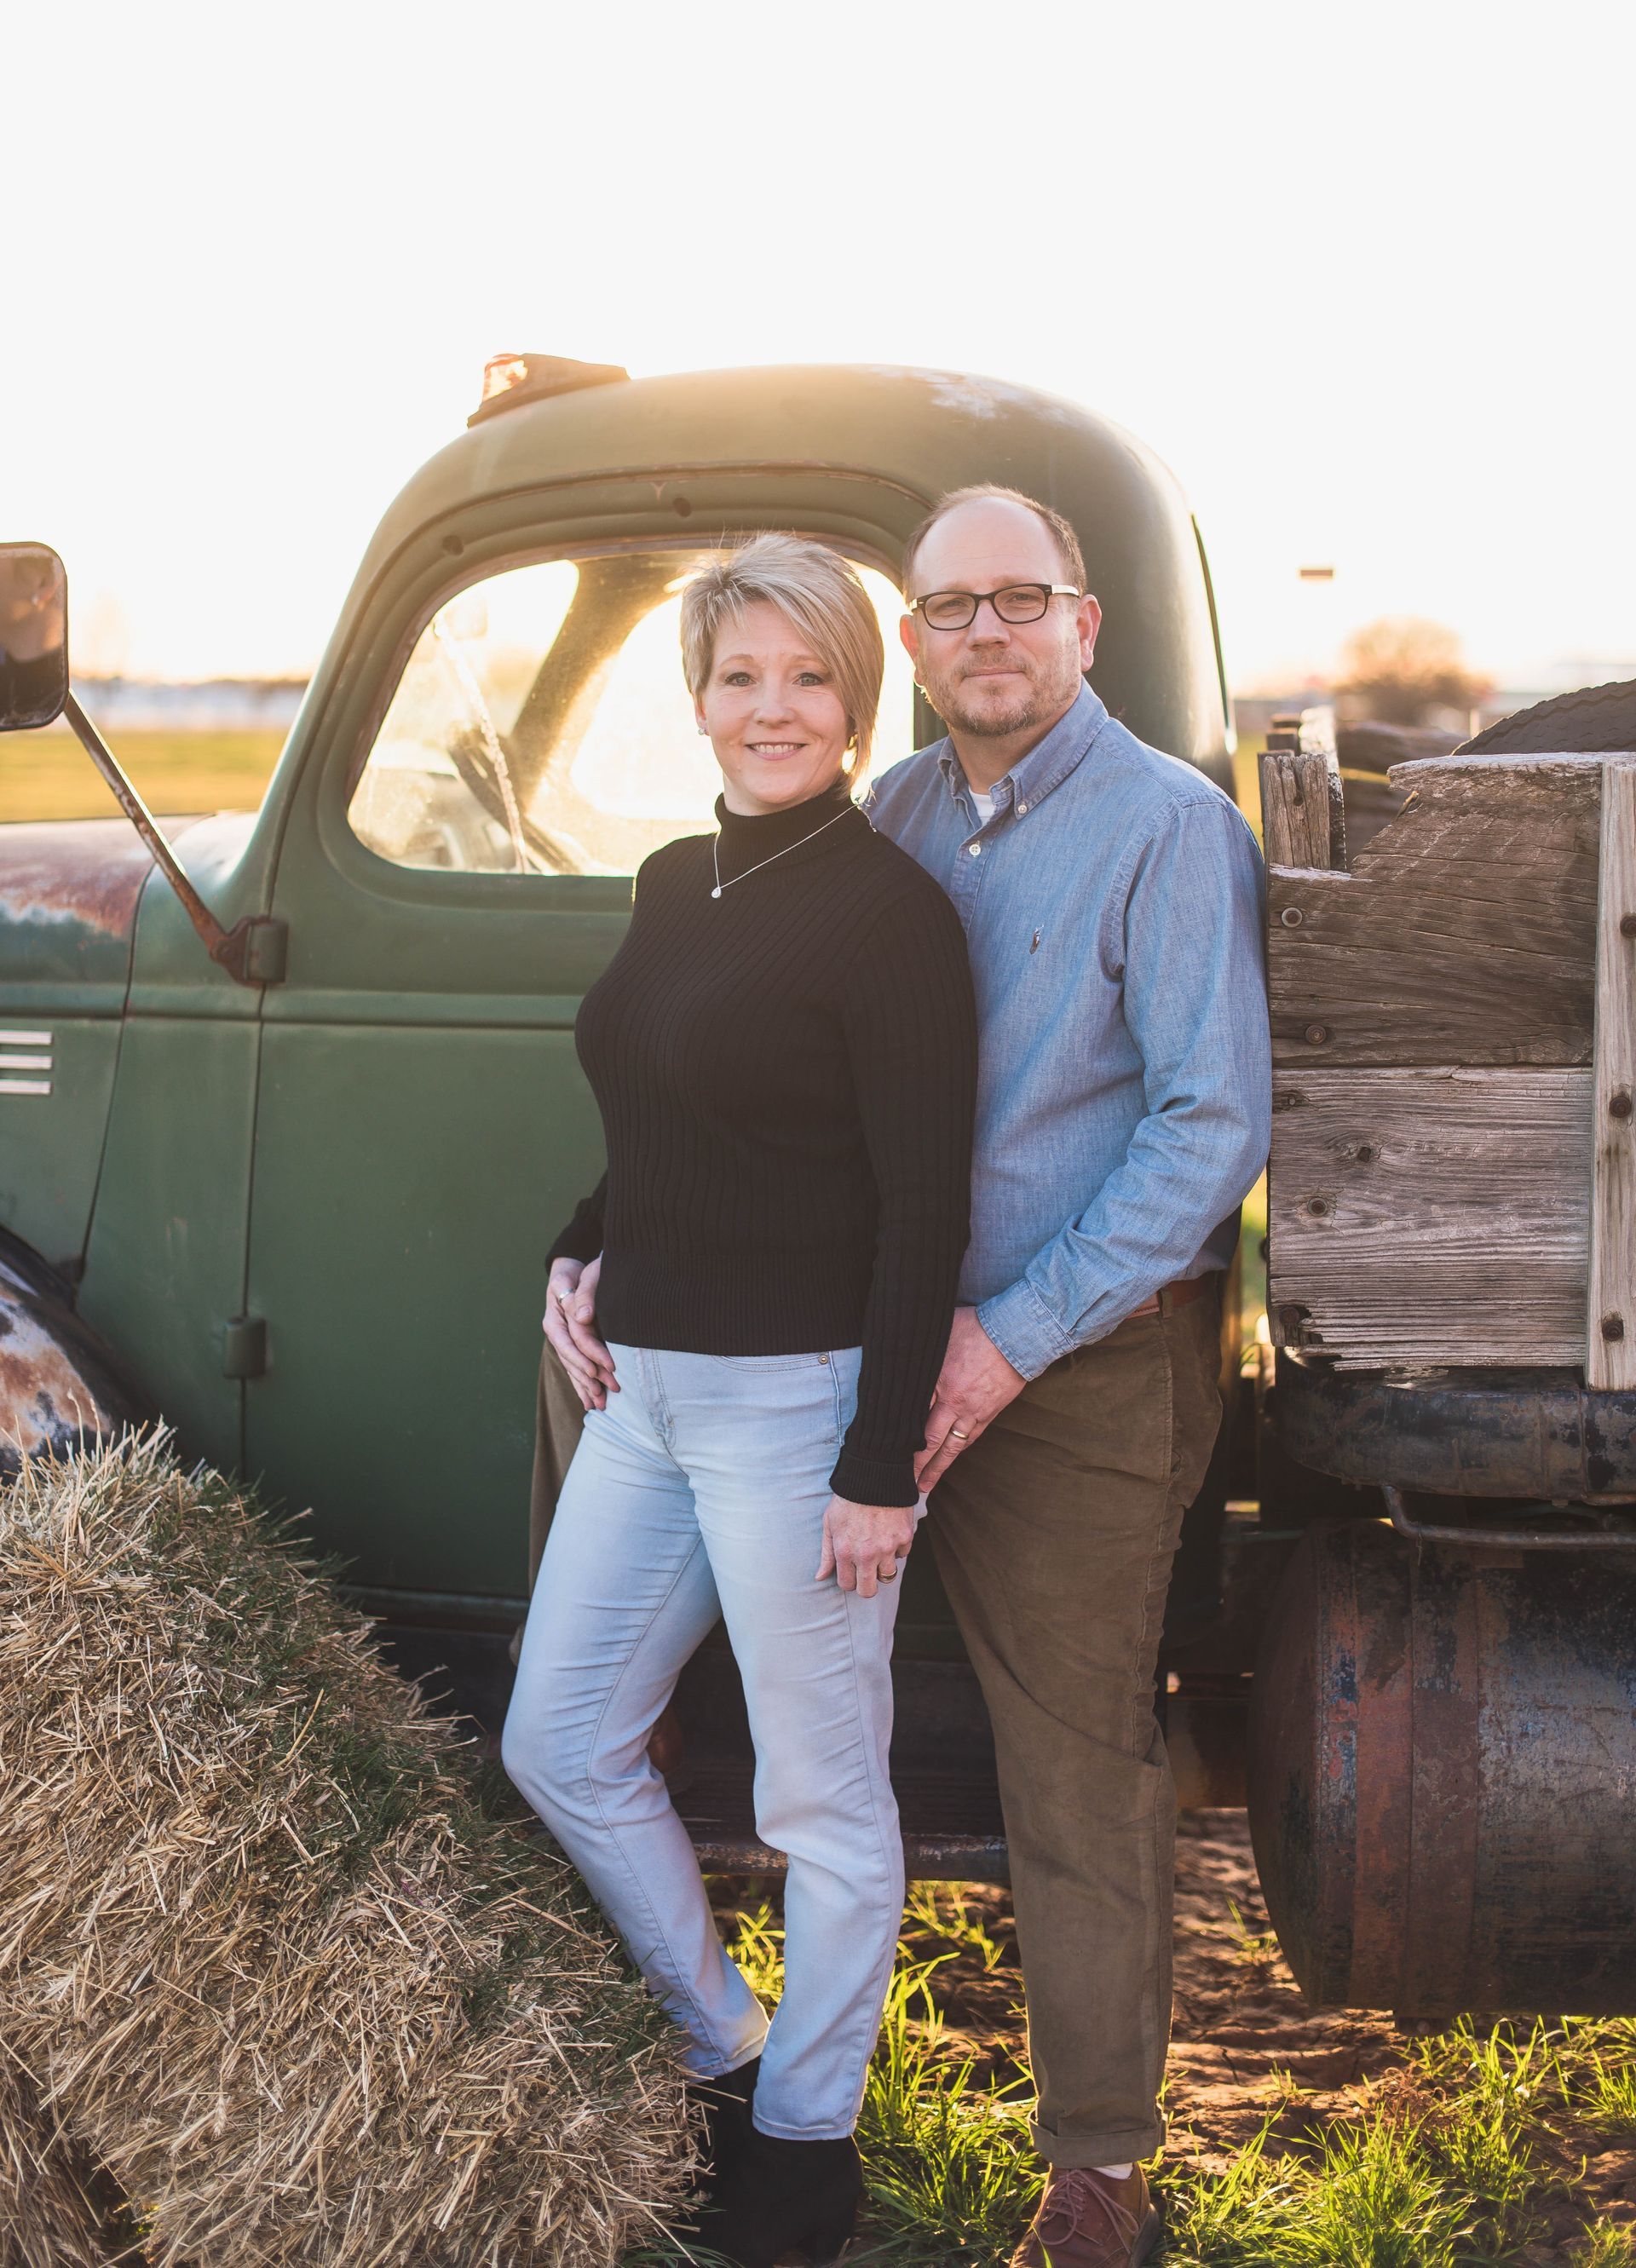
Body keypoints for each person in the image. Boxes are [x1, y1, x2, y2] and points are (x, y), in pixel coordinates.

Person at [501, 534, 977, 2268]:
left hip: (801, 1412)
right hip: (648, 1400)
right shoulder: (667, 876)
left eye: (808, 675)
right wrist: (583, 1241)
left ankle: (803, 2140)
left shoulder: (890, 913)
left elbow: (924, 1200)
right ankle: (721, 2037)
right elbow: (656, 1115)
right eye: (739, 676)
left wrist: (881, 1463)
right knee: (556, 1734)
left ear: (859, 695)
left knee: (823, 1803)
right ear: (697, 695)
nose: (772, 708)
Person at [868, 485, 1271, 2268]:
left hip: (1085, 1362)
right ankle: (730, 2084)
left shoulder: (1166, 827)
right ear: (910, 642)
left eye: (1020, 599)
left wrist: (1010, 1333)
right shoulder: (888, 815)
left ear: (1085, 624)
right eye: (951, 607)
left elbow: (1212, 1121)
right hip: (882, 1340)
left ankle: (1100, 2171)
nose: (987, 634)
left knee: (1077, 1756)